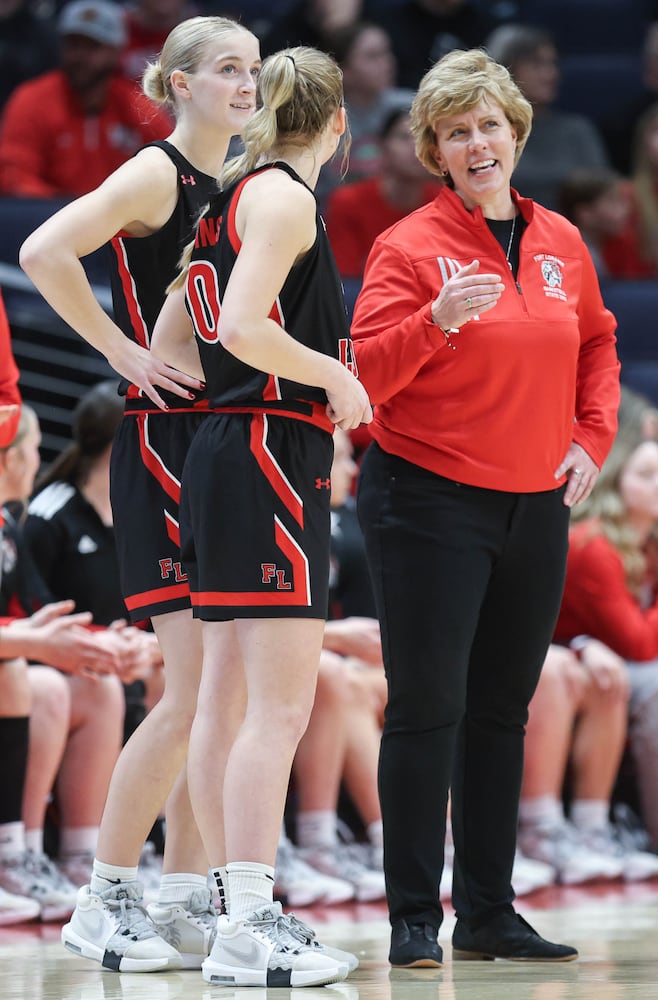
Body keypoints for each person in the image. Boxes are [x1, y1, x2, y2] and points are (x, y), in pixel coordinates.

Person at [350, 47, 620, 968]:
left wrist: (593, 436)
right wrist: (437, 324)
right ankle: (413, 920)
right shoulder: (409, 246)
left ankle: (491, 912)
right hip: (427, 499)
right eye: (456, 131)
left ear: (517, 133)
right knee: (428, 708)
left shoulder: (560, 241)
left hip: (535, 500)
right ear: (434, 147)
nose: (477, 143)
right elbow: (366, 377)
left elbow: (597, 345)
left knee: (505, 711)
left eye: (490, 126)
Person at [19, 15, 261, 974]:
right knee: (192, 689)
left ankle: (178, 896)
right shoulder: (158, 174)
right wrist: (118, 351)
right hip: (162, 437)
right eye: (228, 70)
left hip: (221, 431)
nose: (247, 84)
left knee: (226, 695)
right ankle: (104, 895)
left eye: (252, 68)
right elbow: (44, 249)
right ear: (178, 84)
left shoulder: (241, 182)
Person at [151, 44, 371, 987]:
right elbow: (239, 329)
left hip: (222, 448)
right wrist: (336, 379)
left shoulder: (224, 201)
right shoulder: (284, 197)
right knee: (276, 706)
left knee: (226, 701)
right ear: (337, 124)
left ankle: (227, 907)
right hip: (269, 449)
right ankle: (250, 918)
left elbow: (176, 344)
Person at [0, 404, 124, 922]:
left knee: (98, 685)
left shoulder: (9, 524)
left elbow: (40, 613)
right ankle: (16, 851)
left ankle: (81, 856)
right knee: (39, 682)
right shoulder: (47, 516)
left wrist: (119, 644)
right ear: (11, 459)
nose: (37, 458)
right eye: (30, 448)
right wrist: (35, 641)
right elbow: (33, 628)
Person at [554, 390, 658, 854]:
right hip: (570, 664)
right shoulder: (592, 544)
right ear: (616, 481)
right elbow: (636, 643)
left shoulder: (647, 541)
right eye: (648, 475)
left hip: (608, 665)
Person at [0, 0, 173, 199]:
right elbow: (14, 174)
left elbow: (171, 164)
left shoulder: (135, 104)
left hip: (122, 221)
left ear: (116, 51)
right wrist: (72, 214)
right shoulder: (33, 99)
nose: (80, 56)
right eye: (74, 45)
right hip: (48, 220)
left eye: (93, 47)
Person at [486, 24, 610, 211]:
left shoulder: (578, 130)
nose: (551, 74)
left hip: (569, 232)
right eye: (537, 64)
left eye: (552, 64)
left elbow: (603, 194)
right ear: (506, 71)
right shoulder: (486, 133)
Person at [325, 106, 442, 279]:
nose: (417, 148)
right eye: (404, 138)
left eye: (425, 139)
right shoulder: (348, 201)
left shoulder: (444, 202)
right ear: (382, 147)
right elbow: (344, 281)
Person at [558, 168, 657, 281]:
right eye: (613, 202)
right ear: (586, 214)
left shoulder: (623, 243)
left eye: (623, 201)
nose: (626, 210)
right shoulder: (570, 259)